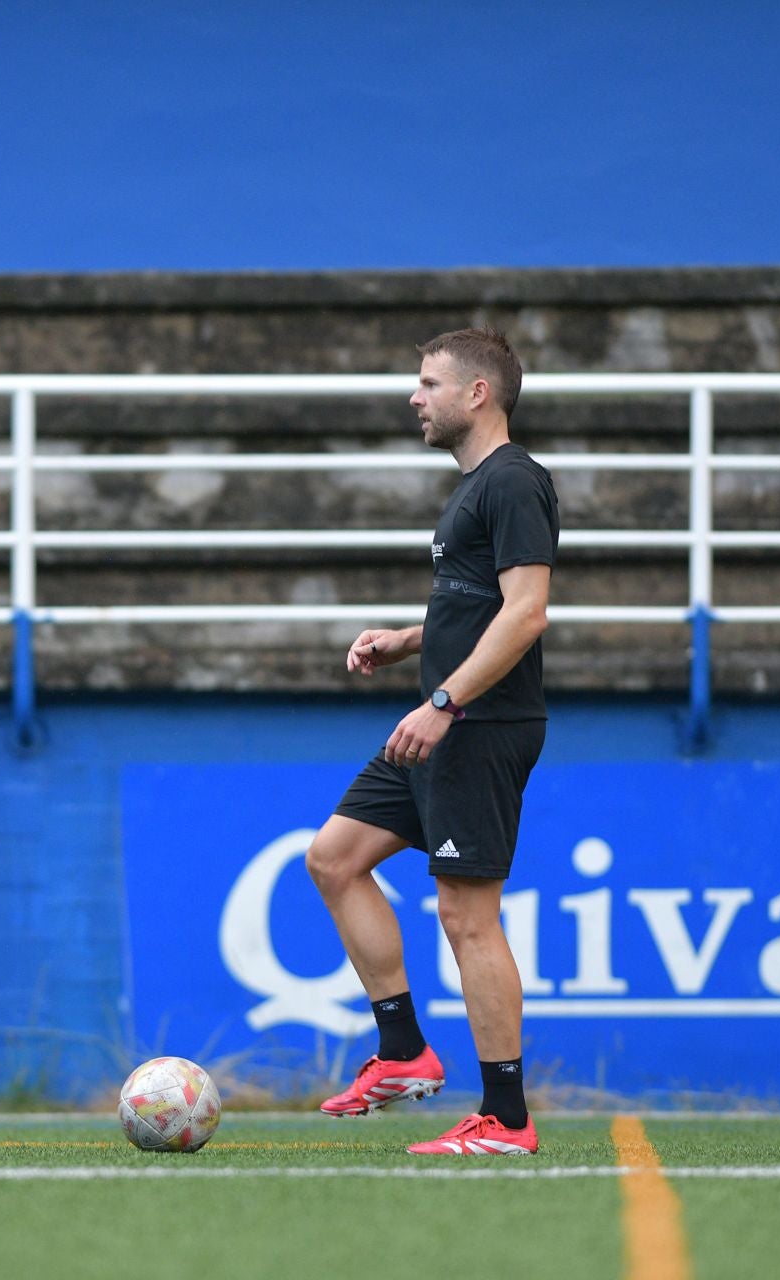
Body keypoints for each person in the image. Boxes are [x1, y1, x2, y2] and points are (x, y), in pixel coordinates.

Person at [305, 327, 558, 1156]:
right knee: (335, 859)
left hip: (476, 725)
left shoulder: (514, 482)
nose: (415, 397)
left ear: (477, 393)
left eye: (428, 383)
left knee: (467, 916)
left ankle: (507, 1119)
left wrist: (445, 700)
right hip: (441, 718)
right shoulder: (474, 488)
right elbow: (479, 606)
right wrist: (411, 641)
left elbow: (526, 613)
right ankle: (404, 1051)